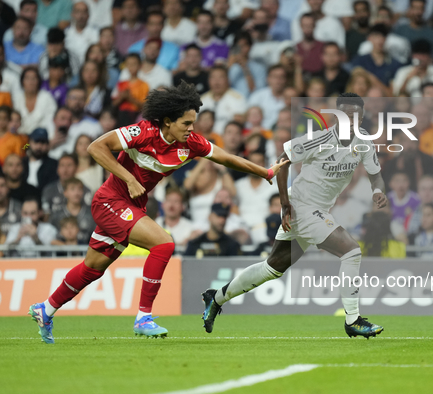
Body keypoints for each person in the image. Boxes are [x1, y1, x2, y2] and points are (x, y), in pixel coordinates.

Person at [29, 81, 287, 344]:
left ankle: (45, 309)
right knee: (164, 243)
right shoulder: (142, 132)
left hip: (130, 207)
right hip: (110, 201)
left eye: (193, 123)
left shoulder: (191, 144)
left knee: (92, 268)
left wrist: (264, 172)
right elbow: (95, 147)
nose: (191, 129)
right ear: (167, 122)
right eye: (186, 123)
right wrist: (128, 178)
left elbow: (226, 157)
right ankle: (143, 317)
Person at [200, 93, 387, 339]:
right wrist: (285, 204)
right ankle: (353, 320)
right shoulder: (318, 140)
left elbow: (375, 173)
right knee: (351, 252)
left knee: (273, 267)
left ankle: (217, 297)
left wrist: (377, 190)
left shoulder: (364, 143)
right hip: (301, 206)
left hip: (317, 209)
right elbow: (282, 161)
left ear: (361, 118)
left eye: (355, 115)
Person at [41, 154, 92, 218]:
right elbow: (46, 217)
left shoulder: (85, 190)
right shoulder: (48, 190)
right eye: (62, 165)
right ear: (57, 169)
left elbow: (89, 216)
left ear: (76, 168)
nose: (65, 170)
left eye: (69, 165)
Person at [200, 65, 247, 134]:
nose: (216, 82)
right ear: (208, 80)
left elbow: (240, 123)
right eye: (213, 78)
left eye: (220, 77)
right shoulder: (201, 100)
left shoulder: (238, 98)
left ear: (228, 80)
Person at [13, 67, 57, 135]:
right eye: (27, 79)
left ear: (38, 81)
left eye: (34, 79)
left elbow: (50, 122)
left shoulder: (47, 97)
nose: (31, 82)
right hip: (19, 138)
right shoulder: (15, 98)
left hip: (40, 139)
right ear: (22, 82)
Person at [49, 177, 95, 243]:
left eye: (80, 189)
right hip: (62, 252)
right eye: (72, 189)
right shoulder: (56, 215)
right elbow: (50, 237)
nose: (76, 193)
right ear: (65, 193)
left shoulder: (91, 214)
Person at [111, 53, 149, 127]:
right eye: (128, 64)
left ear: (140, 66)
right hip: (120, 115)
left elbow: (144, 105)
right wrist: (122, 97)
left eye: (134, 64)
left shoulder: (144, 85)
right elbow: (113, 104)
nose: (131, 67)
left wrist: (130, 98)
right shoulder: (121, 84)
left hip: (134, 115)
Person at [22, 128, 58, 192]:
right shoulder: (21, 162)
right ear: (30, 142)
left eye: (43, 143)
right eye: (36, 142)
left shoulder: (53, 164)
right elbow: (23, 148)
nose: (39, 146)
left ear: (47, 145)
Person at [64, 2, 99, 66]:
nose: (81, 16)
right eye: (77, 12)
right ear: (72, 14)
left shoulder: (97, 32)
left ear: (88, 15)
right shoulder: (65, 33)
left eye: (84, 12)